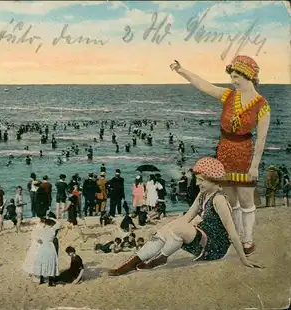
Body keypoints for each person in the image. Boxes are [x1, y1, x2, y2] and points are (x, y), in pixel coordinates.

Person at [170, 55, 271, 256]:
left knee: (246, 200)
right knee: (230, 200)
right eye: (232, 76)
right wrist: (182, 71)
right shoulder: (228, 96)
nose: (232, 81)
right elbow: (204, 85)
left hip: (244, 154)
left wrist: (254, 165)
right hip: (224, 153)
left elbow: (261, 140)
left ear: (248, 76)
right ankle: (236, 235)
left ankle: (248, 240)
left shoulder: (262, 106)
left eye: (235, 77)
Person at [107, 157, 263, 276]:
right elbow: (187, 217)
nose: (197, 184)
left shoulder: (219, 199)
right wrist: (164, 231)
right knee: (172, 225)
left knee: (178, 227)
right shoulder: (203, 194)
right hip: (202, 239)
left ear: (212, 180)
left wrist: (244, 259)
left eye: (201, 181)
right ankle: (132, 263)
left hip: (215, 249)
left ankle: (161, 258)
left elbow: (232, 233)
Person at [32, 217, 60, 286]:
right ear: (50, 224)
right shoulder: (52, 230)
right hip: (50, 246)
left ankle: (41, 280)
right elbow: (59, 224)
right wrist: (52, 218)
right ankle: (50, 282)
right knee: (51, 263)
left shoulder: (41, 230)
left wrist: (41, 241)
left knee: (42, 262)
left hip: (43, 247)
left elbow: (37, 238)